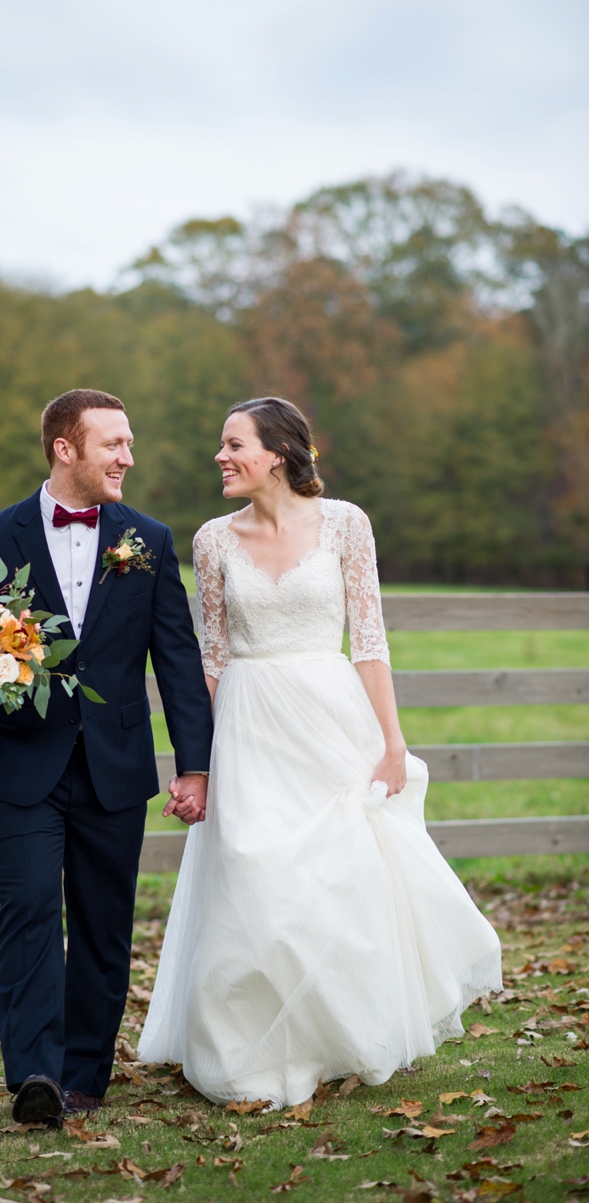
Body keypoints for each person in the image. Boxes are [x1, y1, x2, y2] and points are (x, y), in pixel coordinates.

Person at [138, 396, 502, 1107]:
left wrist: (393, 743)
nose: (220, 456)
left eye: (232, 443)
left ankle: (339, 1033)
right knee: (251, 873)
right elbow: (209, 657)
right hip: (247, 723)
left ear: (276, 452)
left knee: (336, 873)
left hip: (331, 718)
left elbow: (369, 641)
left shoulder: (345, 524)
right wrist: (197, 763)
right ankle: (249, 1048)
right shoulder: (212, 539)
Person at [0, 388, 213, 1125]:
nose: (128, 456)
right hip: (17, 767)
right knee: (28, 906)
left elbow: (179, 661)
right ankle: (34, 1073)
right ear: (66, 448)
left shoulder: (149, 540)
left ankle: (85, 1075)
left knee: (104, 920)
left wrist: (194, 764)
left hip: (115, 764)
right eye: (114, 445)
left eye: (129, 443)